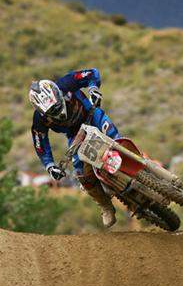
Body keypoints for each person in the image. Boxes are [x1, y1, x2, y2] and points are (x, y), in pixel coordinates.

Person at [28, 68, 120, 228]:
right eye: (51, 111)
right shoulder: (39, 120)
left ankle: (142, 165)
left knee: (116, 138)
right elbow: (40, 143)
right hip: (76, 134)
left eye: (57, 105)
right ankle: (105, 206)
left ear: (58, 93)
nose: (58, 111)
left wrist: (93, 89)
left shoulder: (66, 83)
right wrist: (50, 165)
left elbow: (92, 73)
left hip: (92, 115)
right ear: (42, 111)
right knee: (80, 173)